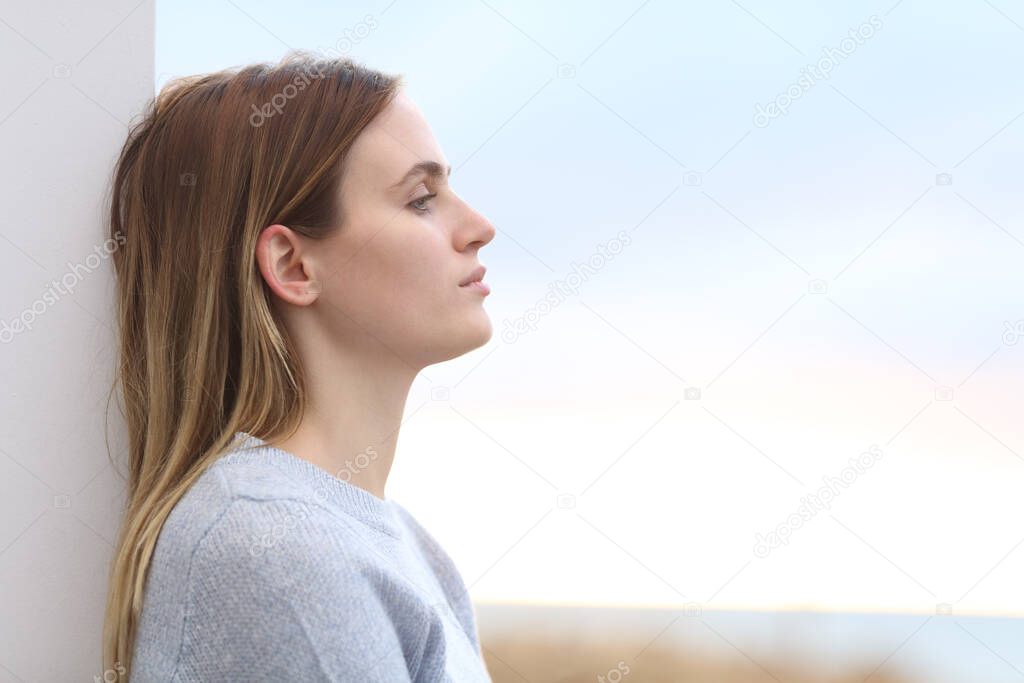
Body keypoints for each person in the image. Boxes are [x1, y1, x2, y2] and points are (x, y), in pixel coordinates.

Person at [101, 51, 496, 681]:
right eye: (421, 199)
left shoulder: (400, 545)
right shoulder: (280, 550)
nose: (480, 227)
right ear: (292, 266)